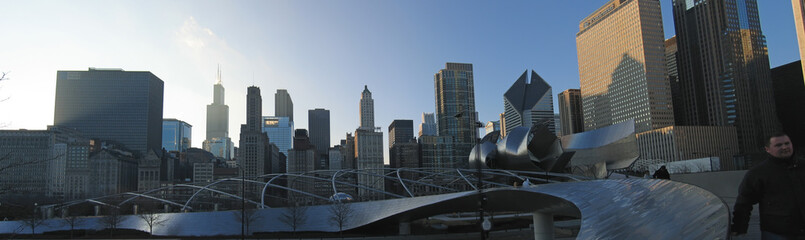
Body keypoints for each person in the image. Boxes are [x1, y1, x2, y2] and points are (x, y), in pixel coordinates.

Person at [732, 132, 805, 238]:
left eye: (787, 143)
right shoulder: (758, 173)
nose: (784, 147)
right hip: (777, 232)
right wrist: (739, 228)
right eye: (778, 145)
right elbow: (744, 202)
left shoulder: (802, 166)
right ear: (767, 149)